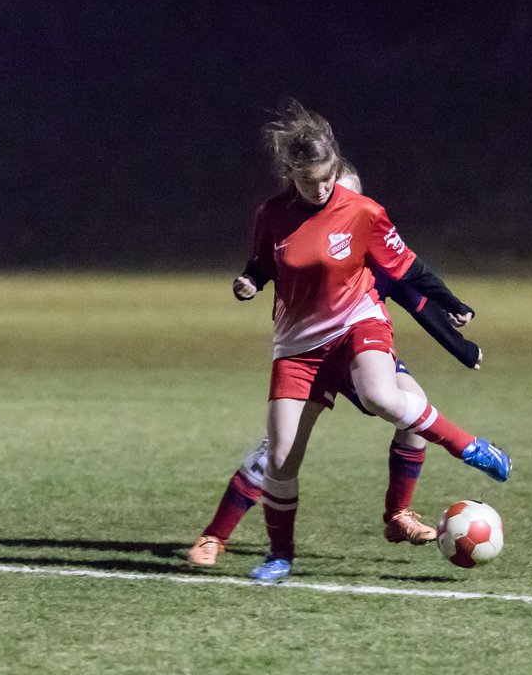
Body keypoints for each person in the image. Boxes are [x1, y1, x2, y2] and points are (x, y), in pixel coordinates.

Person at [232, 99, 510, 583]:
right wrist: (250, 282)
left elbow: (408, 271)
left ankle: (468, 446)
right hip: (297, 346)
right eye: (308, 181)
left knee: (385, 396)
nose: (319, 189)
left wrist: (453, 303)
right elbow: (261, 263)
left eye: (326, 177)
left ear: (335, 165)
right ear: (290, 174)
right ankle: (280, 555)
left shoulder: (362, 211)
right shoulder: (271, 215)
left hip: (357, 323)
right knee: (280, 458)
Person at [188, 164, 483, 567]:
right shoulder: (300, 239)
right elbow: (267, 267)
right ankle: (215, 535)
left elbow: (417, 301)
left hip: (361, 348)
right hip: (311, 354)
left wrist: (462, 348)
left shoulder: (369, 245)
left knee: (412, 410)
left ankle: (398, 514)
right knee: (278, 451)